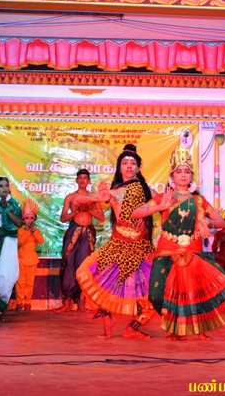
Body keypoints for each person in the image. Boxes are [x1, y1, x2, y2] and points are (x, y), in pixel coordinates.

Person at [133, 137, 225, 340]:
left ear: (191, 176)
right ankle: (175, 326)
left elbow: (221, 222)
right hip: (166, 251)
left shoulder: (199, 200)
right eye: (179, 171)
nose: (183, 175)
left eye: (187, 171)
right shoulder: (164, 198)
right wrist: (159, 207)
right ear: (172, 176)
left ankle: (196, 329)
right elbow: (136, 212)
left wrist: (206, 223)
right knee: (157, 295)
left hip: (191, 252)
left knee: (193, 293)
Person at [75, 144, 158, 339]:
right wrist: (100, 195)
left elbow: (164, 205)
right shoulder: (115, 191)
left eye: (132, 163)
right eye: (125, 163)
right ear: (119, 168)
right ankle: (108, 315)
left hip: (141, 248)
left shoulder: (146, 190)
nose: (129, 166)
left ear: (138, 168)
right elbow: (80, 200)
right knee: (89, 275)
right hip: (118, 246)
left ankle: (132, 328)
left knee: (153, 293)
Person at [55, 168, 104, 313]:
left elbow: (101, 217)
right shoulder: (70, 197)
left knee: (84, 267)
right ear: (76, 180)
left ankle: (82, 300)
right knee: (68, 264)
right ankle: (67, 301)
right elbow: (62, 218)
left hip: (87, 234)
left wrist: (89, 210)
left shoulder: (93, 197)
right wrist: (76, 211)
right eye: (80, 178)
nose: (82, 180)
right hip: (73, 232)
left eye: (85, 178)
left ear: (89, 181)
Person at [0, 176, 23, 321]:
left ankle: (2, 307)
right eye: (0, 186)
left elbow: (19, 223)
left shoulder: (14, 204)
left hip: (9, 242)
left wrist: (7, 209)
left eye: (6, 186)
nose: (4, 189)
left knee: (7, 274)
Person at [15, 197, 44, 311]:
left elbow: (41, 240)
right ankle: (19, 302)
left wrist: (33, 232)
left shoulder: (36, 231)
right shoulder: (21, 231)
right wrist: (28, 231)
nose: (29, 220)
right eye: (27, 218)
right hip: (21, 259)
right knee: (20, 282)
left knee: (30, 282)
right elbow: (21, 241)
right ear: (23, 220)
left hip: (32, 259)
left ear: (34, 220)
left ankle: (28, 302)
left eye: (32, 218)